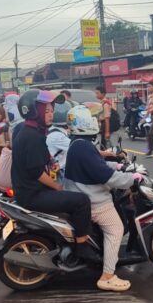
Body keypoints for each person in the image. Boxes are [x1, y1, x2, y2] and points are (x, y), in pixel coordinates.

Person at [10, 90, 100, 263]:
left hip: (25, 190)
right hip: (33, 194)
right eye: (46, 111)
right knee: (82, 201)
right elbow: (36, 173)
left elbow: (35, 161)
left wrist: (51, 164)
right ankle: (82, 246)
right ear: (33, 111)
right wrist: (58, 187)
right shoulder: (33, 136)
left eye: (52, 110)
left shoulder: (25, 129)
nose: (51, 114)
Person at [63, 105, 144, 292]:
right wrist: (131, 179)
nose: (97, 121)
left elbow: (96, 164)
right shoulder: (83, 146)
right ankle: (107, 276)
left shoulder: (77, 143)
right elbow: (106, 176)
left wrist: (117, 166)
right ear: (85, 122)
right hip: (93, 199)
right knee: (116, 229)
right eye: (94, 118)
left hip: (80, 193)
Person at [46, 99, 72, 185]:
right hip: (58, 172)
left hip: (54, 168)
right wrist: (107, 153)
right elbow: (77, 147)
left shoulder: (53, 130)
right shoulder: (57, 136)